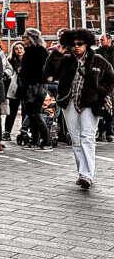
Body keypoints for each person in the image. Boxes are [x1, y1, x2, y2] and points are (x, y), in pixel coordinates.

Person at [44, 29, 114, 189]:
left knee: (87, 137)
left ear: (87, 44)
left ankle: (87, 175)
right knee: (75, 139)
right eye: (73, 44)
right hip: (69, 102)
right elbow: (48, 74)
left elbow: (110, 79)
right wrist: (56, 54)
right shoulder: (66, 60)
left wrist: (101, 91)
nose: (76, 47)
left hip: (90, 103)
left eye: (80, 44)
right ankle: (82, 173)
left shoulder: (98, 60)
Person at [19, 29, 51, 150]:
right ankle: (35, 140)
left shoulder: (39, 51)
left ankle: (46, 141)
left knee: (36, 114)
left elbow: (42, 70)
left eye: (25, 37)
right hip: (30, 85)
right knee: (31, 114)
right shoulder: (30, 51)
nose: (23, 40)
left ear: (31, 38)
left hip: (36, 86)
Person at [3, 41, 26, 140]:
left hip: (25, 88)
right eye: (16, 48)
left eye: (21, 48)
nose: (19, 50)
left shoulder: (28, 60)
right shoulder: (11, 60)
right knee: (12, 111)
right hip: (14, 88)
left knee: (26, 111)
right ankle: (7, 132)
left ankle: (24, 131)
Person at [95, 34, 114, 142]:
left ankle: (109, 131)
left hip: (111, 83)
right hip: (100, 83)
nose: (100, 41)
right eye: (99, 40)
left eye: (102, 40)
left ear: (109, 40)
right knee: (98, 107)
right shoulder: (97, 52)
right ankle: (101, 130)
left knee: (109, 107)